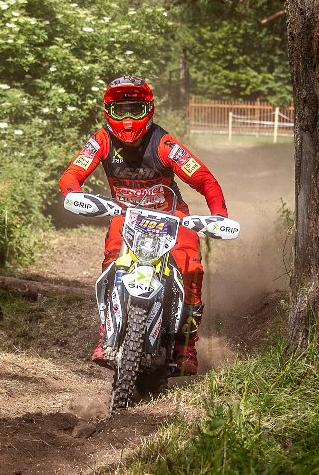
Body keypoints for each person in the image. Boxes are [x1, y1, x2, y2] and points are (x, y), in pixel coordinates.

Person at [59, 75, 228, 376]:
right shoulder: (101, 141)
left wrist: (219, 214)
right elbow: (71, 174)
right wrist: (74, 195)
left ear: (148, 110)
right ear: (108, 111)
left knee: (191, 266)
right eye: (120, 110)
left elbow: (204, 179)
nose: (127, 119)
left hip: (170, 215)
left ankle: (186, 346)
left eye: (134, 109)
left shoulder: (164, 144)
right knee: (113, 259)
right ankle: (107, 333)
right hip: (126, 216)